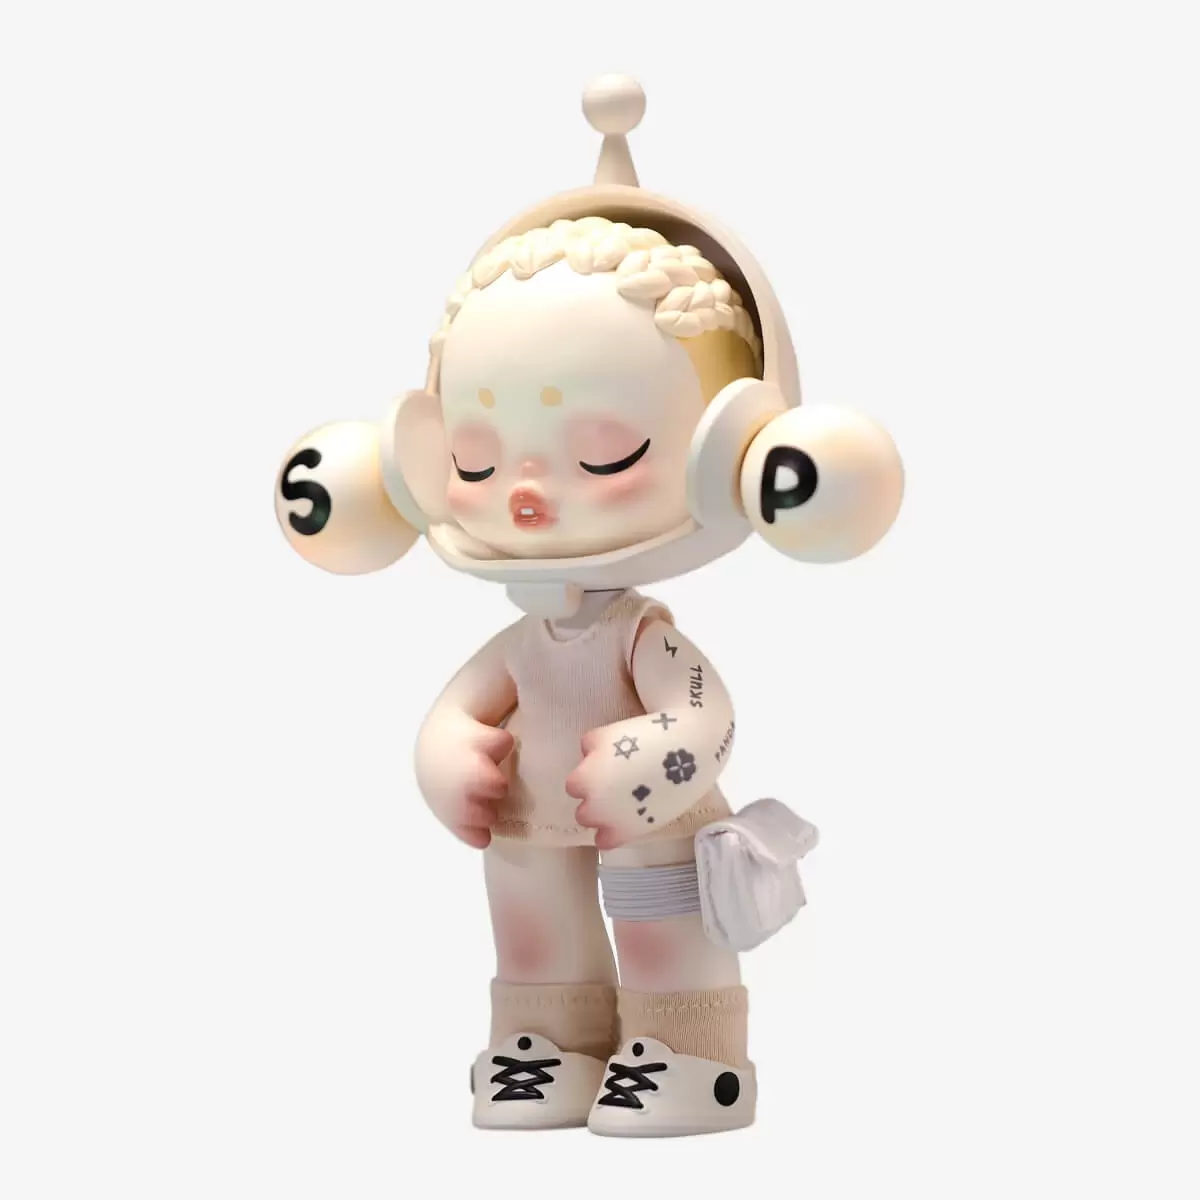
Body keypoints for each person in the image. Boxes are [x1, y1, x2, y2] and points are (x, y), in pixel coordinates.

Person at [274, 75, 903, 1136]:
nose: (525, 492)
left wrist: (655, 751)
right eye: (477, 459)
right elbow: (458, 707)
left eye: (604, 454)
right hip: (526, 817)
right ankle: (547, 1045)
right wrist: (445, 754)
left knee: (661, 934)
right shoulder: (521, 641)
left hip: (646, 817)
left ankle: (687, 1054)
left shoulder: (638, 633)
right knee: (533, 936)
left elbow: (704, 714)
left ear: (739, 449)